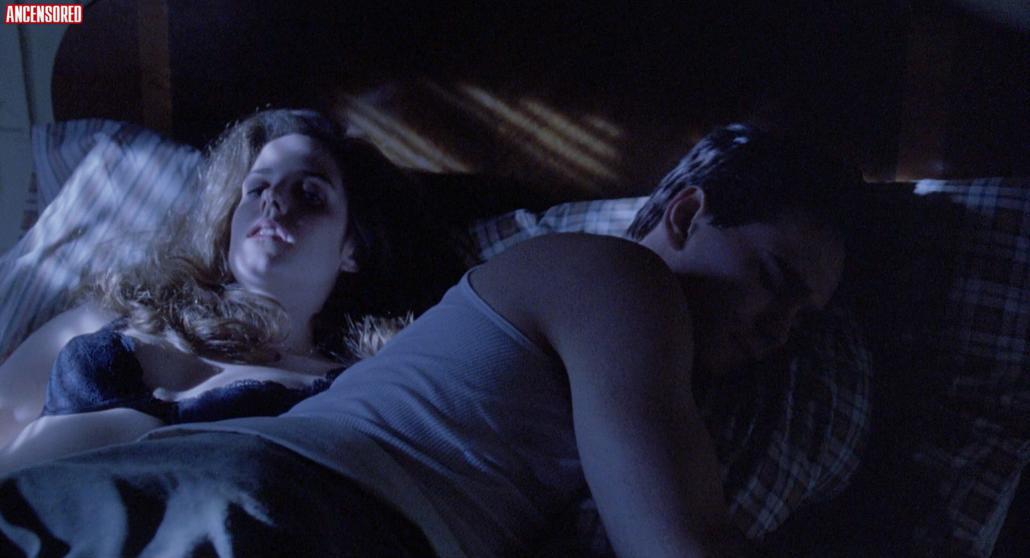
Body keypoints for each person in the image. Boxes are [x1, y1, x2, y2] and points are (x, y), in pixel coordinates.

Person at [0, 123, 862, 557]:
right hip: (276, 503)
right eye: (773, 279)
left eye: (803, 317)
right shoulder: (616, 279)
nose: (780, 329)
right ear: (686, 213)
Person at [0, 109, 465, 473]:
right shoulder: (114, 314)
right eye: (256, 188)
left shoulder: (354, 388)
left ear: (352, 250)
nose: (273, 200)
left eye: (309, 193)